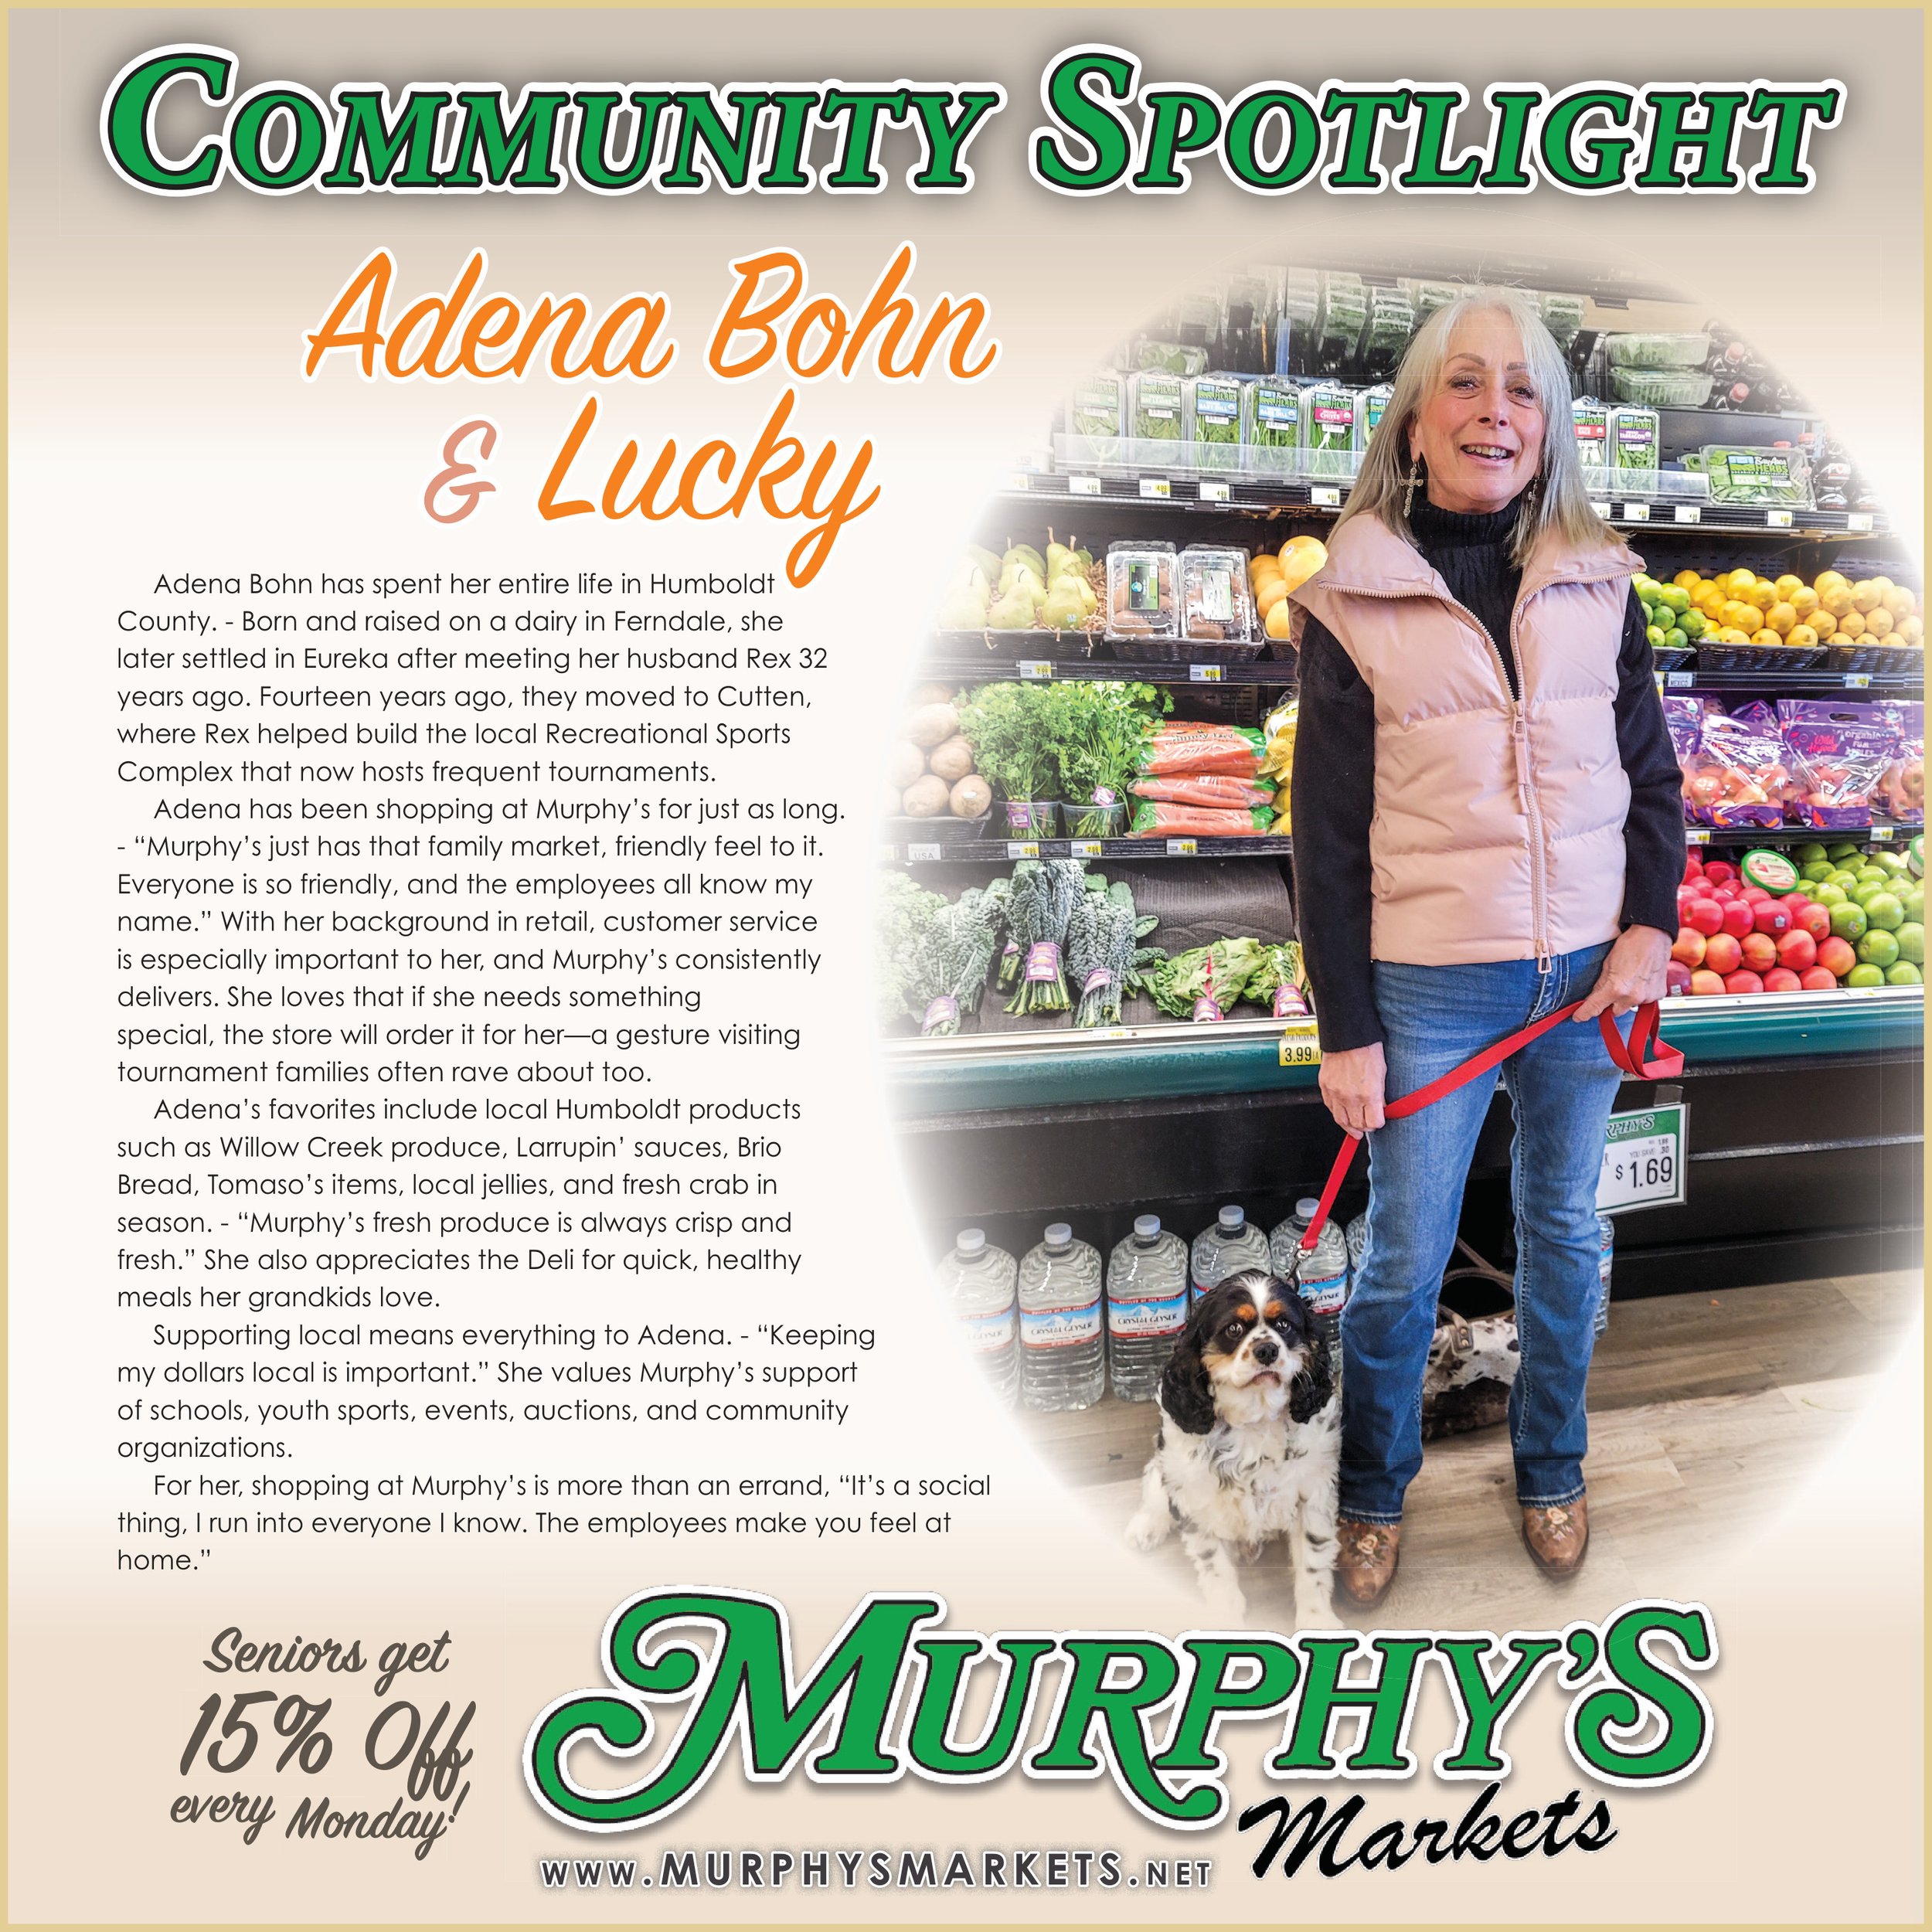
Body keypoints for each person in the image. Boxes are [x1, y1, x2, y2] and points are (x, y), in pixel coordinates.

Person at [1287, 287, 1685, 1606]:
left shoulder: (1597, 579)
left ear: (1552, 425)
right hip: (1428, 988)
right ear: (1413, 418)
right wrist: (1349, 1026)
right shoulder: (1352, 593)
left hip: (1585, 983)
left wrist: (1649, 928)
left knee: (1568, 1232)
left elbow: (1653, 779)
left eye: (1522, 390)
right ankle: (1368, 1489)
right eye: (1465, 384)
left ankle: (1553, 1464)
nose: (1494, 412)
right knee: (1402, 1258)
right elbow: (1326, 836)